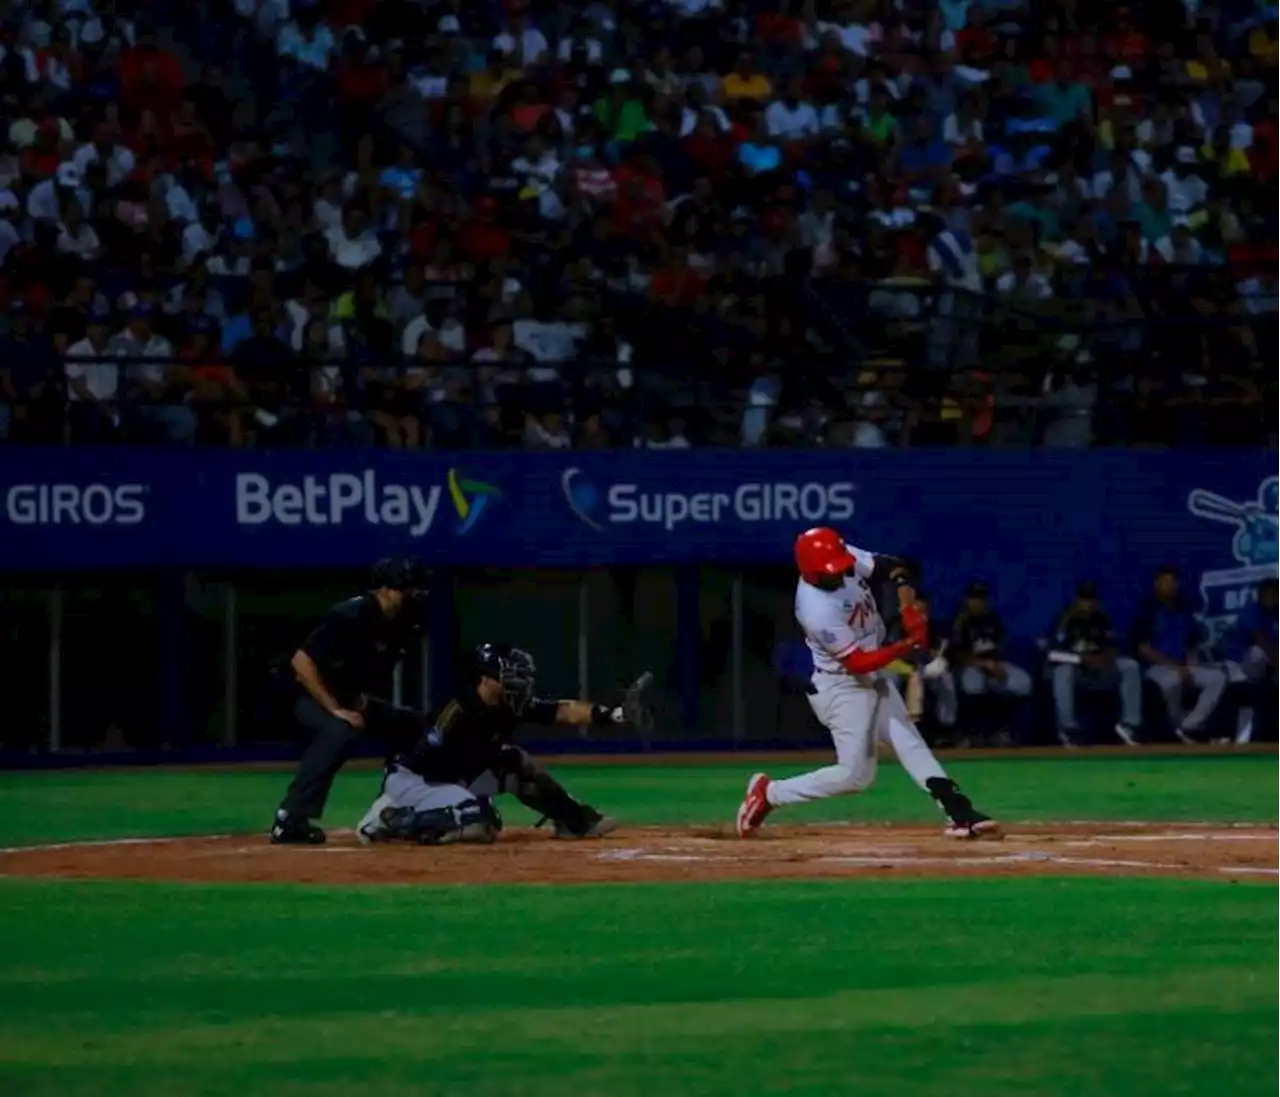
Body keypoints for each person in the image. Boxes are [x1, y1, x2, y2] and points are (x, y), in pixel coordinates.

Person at [735, 527, 1000, 840]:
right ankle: (770, 794)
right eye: (832, 570)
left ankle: (959, 810)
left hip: (872, 673)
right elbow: (857, 661)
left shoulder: (839, 556)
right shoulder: (815, 608)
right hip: (842, 687)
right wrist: (906, 644)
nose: (842, 571)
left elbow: (896, 568)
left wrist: (908, 607)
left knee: (907, 738)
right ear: (813, 572)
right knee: (855, 776)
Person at [355, 644, 652, 843]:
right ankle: (390, 820)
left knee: (514, 762)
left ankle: (574, 821)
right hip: (416, 782)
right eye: (509, 674)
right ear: (485, 679)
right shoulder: (458, 709)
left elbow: (561, 710)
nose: (519, 681)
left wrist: (613, 714)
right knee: (478, 823)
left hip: (456, 775)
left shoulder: (509, 703)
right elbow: (424, 756)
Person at [269, 556, 431, 844]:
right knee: (339, 730)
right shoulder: (350, 614)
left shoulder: (405, 620)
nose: (410, 596)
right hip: (302, 696)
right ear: (383, 589)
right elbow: (301, 662)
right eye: (404, 590)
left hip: (346, 697)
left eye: (413, 591)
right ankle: (290, 818)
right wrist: (336, 709)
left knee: (413, 724)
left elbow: (370, 667)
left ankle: (398, 805)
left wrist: (360, 699)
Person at [1129, 566, 1227, 743]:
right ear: (1156, 584)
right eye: (1165, 582)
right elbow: (1143, 648)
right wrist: (1176, 667)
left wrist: (1190, 665)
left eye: (1172, 582)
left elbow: (1192, 643)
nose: (1169, 586)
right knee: (1171, 681)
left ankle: (1189, 726)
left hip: (1184, 666)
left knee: (1217, 677)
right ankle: (1175, 726)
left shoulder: (1184, 609)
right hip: (1156, 667)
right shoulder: (1147, 611)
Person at [1046, 581, 1143, 746]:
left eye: (1091, 599)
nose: (1088, 603)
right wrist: (1081, 659)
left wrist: (1104, 658)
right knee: (1062, 672)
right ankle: (1068, 729)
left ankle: (1129, 725)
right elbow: (1052, 654)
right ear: (1077, 600)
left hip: (1102, 670)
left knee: (1130, 666)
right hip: (1078, 672)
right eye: (1084, 599)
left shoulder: (1102, 618)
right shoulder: (1064, 619)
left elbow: (1114, 646)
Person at [950, 581, 1033, 745]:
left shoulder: (993, 618)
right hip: (968, 667)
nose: (978, 602)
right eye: (974, 598)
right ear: (967, 600)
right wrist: (982, 664)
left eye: (981, 598)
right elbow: (955, 655)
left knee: (1023, 683)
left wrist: (998, 665)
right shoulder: (960, 621)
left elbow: (1000, 647)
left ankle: (1003, 731)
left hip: (994, 664)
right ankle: (973, 732)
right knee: (974, 685)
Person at [886, 592, 959, 742]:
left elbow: (937, 650)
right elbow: (892, 653)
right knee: (891, 682)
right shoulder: (896, 624)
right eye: (916, 611)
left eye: (924, 611)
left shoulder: (929, 626)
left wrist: (938, 659)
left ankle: (946, 728)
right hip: (896, 666)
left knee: (945, 679)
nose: (920, 615)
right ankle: (888, 731)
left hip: (919, 667)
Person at [1221, 578, 1280, 743]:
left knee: (1267, 692)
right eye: (1265, 595)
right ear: (1259, 595)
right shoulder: (1251, 611)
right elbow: (1261, 642)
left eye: (1273, 595)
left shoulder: (1277, 612)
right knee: (1258, 652)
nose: (1269, 598)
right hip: (1238, 666)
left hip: (1264, 669)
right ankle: (1240, 739)